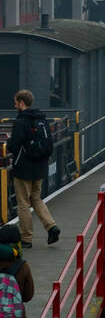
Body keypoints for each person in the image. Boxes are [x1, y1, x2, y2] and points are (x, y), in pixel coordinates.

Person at [10, 91, 60, 248]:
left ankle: (26, 238)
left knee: (23, 203)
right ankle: (52, 226)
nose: (15, 105)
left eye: (16, 102)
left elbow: (14, 146)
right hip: (39, 168)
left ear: (22, 103)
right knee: (36, 199)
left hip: (23, 169)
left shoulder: (21, 122)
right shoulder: (41, 120)